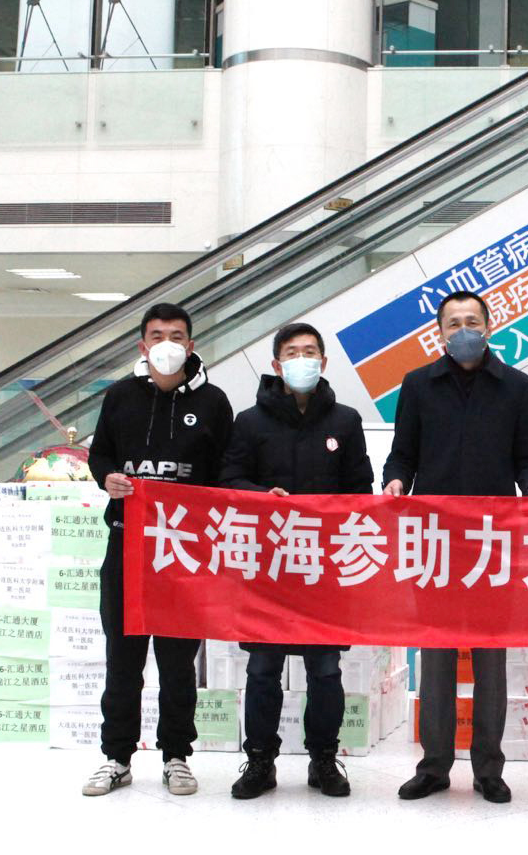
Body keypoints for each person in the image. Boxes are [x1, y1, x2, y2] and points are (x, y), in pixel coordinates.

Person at [382, 291, 528, 804]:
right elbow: (403, 453)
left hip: (492, 540)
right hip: (434, 538)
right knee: (435, 655)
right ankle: (434, 766)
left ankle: (489, 768)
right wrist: (394, 481)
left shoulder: (516, 386)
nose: (463, 330)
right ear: (439, 333)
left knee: (490, 657)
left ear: (489, 327)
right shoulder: (418, 385)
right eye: (453, 323)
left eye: (472, 321)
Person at [82, 302, 233, 798]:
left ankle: (176, 756)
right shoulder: (120, 396)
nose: (167, 344)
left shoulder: (213, 402)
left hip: (184, 553)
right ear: (142, 345)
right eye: (157, 336)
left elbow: (226, 472)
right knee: (122, 660)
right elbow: (100, 454)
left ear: (190, 344)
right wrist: (107, 477)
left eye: (176, 336)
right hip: (127, 545)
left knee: (177, 663)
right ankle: (116, 757)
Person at [219, 322, 374, 800]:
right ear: (276, 364)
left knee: (325, 668)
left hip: (324, 565)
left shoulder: (345, 421)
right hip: (267, 565)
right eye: (292, 352)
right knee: (263, 667)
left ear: (323, 363)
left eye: (310, 352)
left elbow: (360, 489)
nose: (301, 360)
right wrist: (262, 496)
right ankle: (260, 760)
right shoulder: (250, 421)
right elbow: (229, 479)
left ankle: (323, 759)